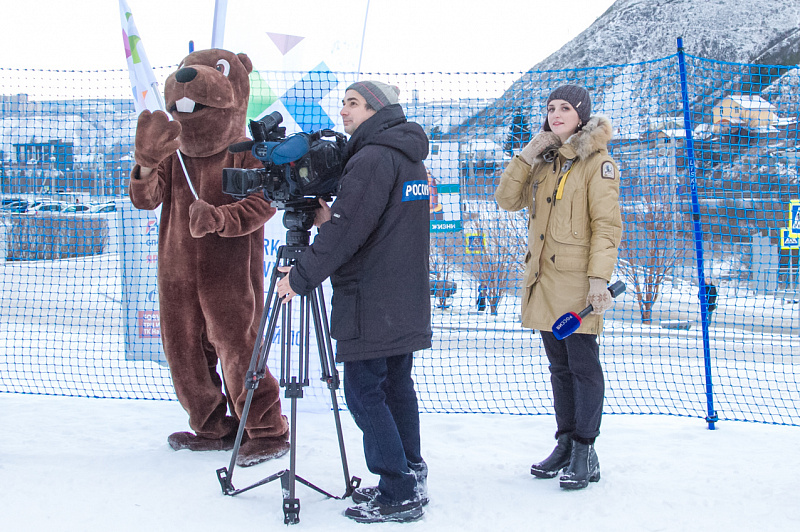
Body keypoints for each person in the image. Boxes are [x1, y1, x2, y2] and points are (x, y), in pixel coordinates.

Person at [276, 80, 431, 523]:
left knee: (364, 394)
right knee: (396, 388)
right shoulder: (407, 155)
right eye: (343, 102)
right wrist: (334, 219)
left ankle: (397, 491)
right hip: (401, 296)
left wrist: (299, 278)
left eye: (354, 103)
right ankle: (410, 473)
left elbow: (345, 235)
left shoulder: (372, 157)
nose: (343, 111)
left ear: (376, 110)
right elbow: (373, 226)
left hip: (371, 298)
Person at [495, 84, 622, 490]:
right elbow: (506, 199)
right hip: (542, 280)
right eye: (551, 108)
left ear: (582, 115)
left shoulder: (598, 164)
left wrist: (599, 280)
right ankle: (566, 443)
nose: (556, 114)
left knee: (583, 368)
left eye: (565, 107)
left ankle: (585, 449)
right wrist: (526, 154)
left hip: (577, 285)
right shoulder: (545, 160)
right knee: (559, 369)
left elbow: (607, 226)